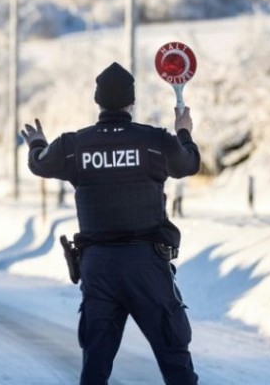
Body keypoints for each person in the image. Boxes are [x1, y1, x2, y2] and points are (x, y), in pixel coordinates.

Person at [20, 62, 200, 384]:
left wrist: (36, 143)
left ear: (97, 101)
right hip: (147, 265)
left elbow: (40, 164)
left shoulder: (74, 146)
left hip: (98, 267)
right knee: (174, 357)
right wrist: (183, 129)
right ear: (132, 102)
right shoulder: (154, 141)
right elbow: (189, 164)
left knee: (96, 364)